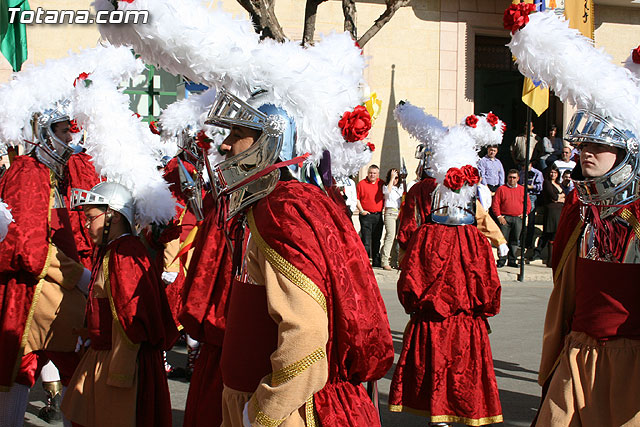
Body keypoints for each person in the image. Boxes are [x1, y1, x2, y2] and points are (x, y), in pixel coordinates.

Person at [507, 6, 640, 424]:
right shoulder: (579, 212)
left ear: (626, 152)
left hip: (632, 363)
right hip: (577, 355)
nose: (586, 152)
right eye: (581, 144)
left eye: (598, 145)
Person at [390, 106, 504, 426]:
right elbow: (489, 287)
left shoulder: (426, 233)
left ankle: (437, 413)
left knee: (435, 365)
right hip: (467, 323)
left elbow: (411, 280)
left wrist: (414, 300)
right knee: (463, 369)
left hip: (433, 320)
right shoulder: (475, 239)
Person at [0, 105, 90, 425]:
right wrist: (77, 275)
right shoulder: (27, 171)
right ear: (43, 132)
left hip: (48, 284)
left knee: (70, 363)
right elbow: (28, 248)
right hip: (31, 287)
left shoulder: (50, 173)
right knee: (19, 369)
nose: (71, 137)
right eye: (63, 130)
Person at [63, 182, 179, 427]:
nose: (86, 225)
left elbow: (131, 320)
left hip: (119, 363)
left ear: (113, 216)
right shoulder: (113, 250)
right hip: (104, 356)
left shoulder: (125, 253)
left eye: (90, 217)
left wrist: (121, 374)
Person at [492, 169, 532, 267]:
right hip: (505, 218)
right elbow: (495, 204)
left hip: (517, 218)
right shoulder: (501, 189)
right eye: (510, 177)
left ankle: (512, 260)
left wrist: (525, 213)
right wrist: (499, 216)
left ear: (518, 178)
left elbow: (528, 204)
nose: (512, 180)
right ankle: (502, 260)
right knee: (502, 240)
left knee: (515, 240)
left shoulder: (522, 190)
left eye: (514, 178)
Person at [532, 165, 564, 262]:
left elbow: (564, 197)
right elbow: (553, 197)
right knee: (549, 233)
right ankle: (543, 255)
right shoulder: (547, 183)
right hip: (551, 211)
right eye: (551, 172)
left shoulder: (559, 184)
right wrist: (560, 197)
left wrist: (560, 197)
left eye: (555, 172)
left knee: (551, 234)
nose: (553, 174)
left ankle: (539, 252)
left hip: (559, 211)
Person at [356, 165, 385, 267]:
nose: (372, 175)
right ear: (367, 173)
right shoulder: (361, 184)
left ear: (378, 174)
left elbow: (387, 195)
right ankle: (365, 262)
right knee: (366, 241)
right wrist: (362, 211)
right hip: (366, 216)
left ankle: (376, 262)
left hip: (378, 215)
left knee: (377, 239)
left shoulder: (381, 183)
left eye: (374, 173)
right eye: (370, 173)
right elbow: (357, 199)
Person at [381, 168, 404, 270]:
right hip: (390, 212)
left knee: (397, 237)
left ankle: (394, 261)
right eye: (394, 177)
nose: (395, 180)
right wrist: (391, 178)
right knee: (390, 235)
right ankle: (384, 260)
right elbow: (387, 192)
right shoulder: (386, 186)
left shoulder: (401, 188)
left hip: (399, 212)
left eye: (397, 178)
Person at [519, 161, 543, 259]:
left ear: (531, 165)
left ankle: (528, 242)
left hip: (532, 195)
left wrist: (531, 186)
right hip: (521, 195)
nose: (525, 168)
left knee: (530, 219)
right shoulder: (521, 173)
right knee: (521, 218)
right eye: (524, 166)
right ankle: (520, 241)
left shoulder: (537, 173)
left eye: (527, 166)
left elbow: (540, 187)